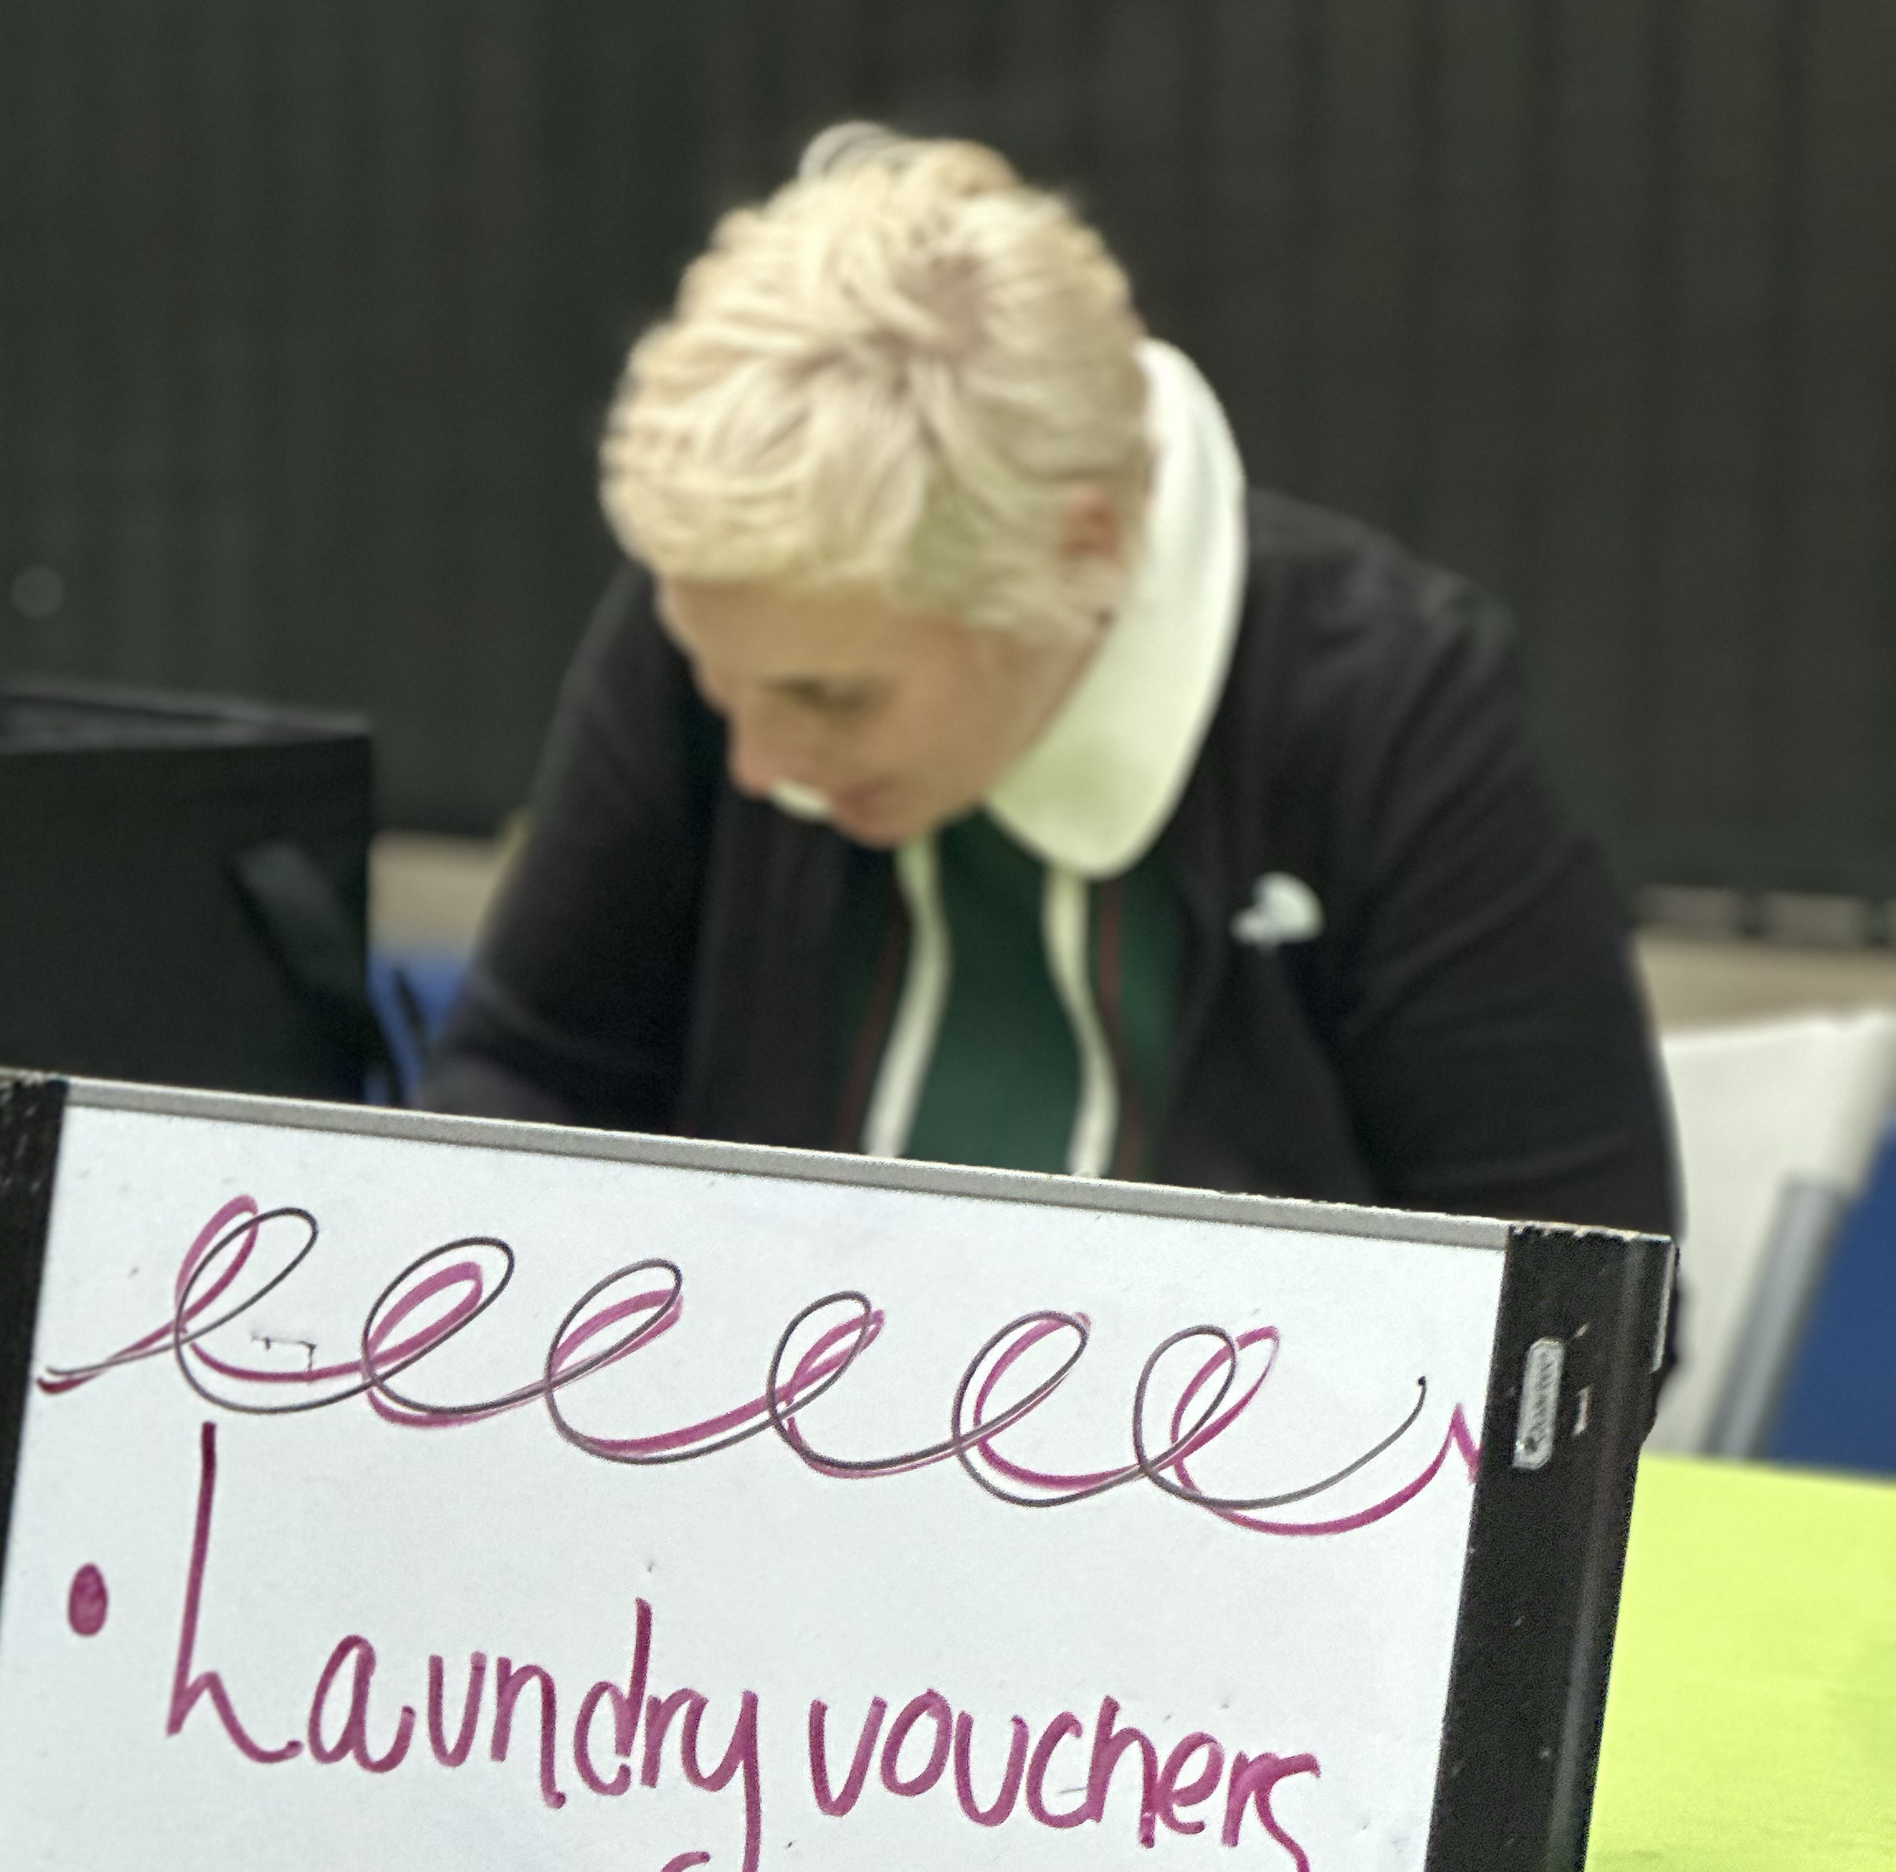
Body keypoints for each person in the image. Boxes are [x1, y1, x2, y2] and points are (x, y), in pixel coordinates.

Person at [418, 125, 1679, 1238]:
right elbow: (524, 1083)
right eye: (716, 686)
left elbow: (1577, 1305)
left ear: (1083, 553)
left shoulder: (1391, 708)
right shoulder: (734, 610)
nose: (756, 765)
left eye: (833, 699)